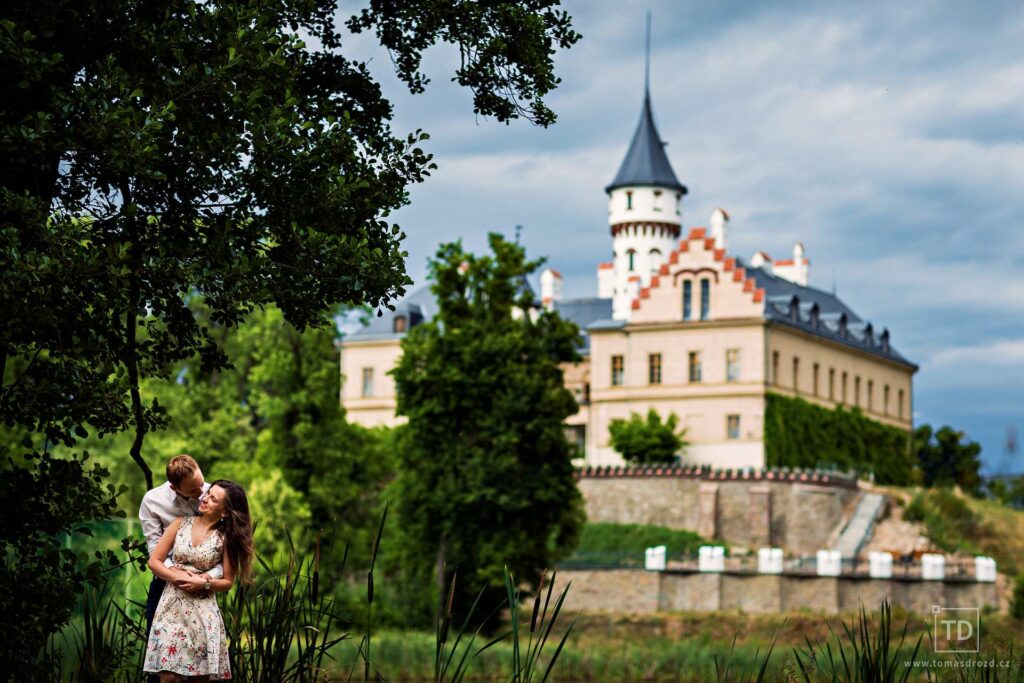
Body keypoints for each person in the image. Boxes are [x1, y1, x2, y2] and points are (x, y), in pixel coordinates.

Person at [142, 479, 254, 682]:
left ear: (225, 512)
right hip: (170, 607)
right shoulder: (180, 523)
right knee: (168, 677)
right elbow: (154, 561)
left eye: (213, 499)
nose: (205, 499)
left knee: (198, 678)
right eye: (208, 493)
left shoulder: (225, 538)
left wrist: (204, 583)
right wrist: (177, 576)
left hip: (202, 612)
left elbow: (228, 581)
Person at [139, 454, 224, 675]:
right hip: (166, 587)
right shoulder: (153, 501)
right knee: (162, 666)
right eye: (194, 491)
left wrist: (205, 579)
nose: (202, 493)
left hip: (203, 593)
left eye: (201, 484)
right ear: (175, 488)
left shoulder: (211, 497)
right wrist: (176, 574)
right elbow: (154, 547)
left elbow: (222, 551)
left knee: (200, 668)